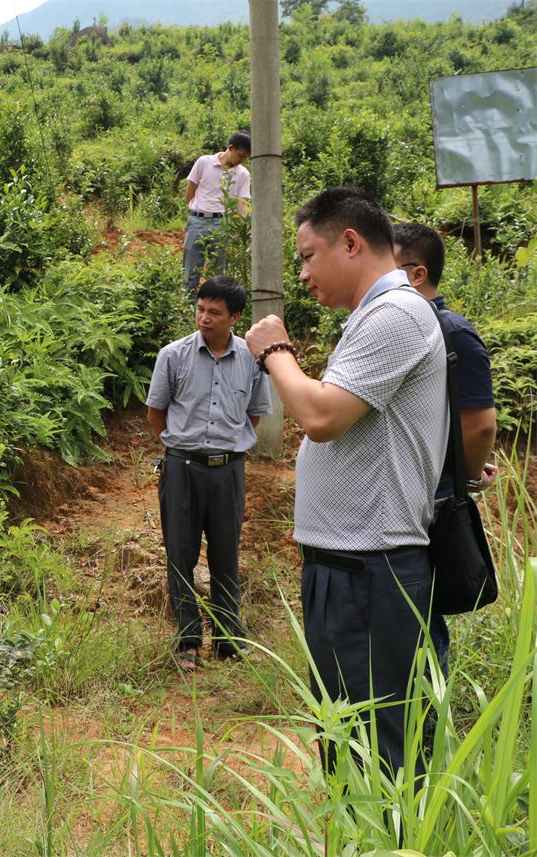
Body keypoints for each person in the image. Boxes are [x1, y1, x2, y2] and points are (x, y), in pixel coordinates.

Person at [245, 186, 448, 777]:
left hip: (372, 572)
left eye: (308, 256)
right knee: (345, 739)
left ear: (351, 243)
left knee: (379, 751)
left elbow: (322, 416)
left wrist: (275, 349)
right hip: (353, 570)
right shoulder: (376, 317)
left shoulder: (396, 314)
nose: (302, 272)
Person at [146, 275, 271, 671]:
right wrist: (178, 448)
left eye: (214, 312)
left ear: (234, 316)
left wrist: (227, 447)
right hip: (182, 468)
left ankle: (227, 638)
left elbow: (254, 414)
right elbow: (156, 412)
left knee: (225, 554)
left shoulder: (251, 360)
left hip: (228, 471)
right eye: (200, 309)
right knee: (180, 554)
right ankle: (187, 642)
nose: (204, 318)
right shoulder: (173, 355)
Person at [393, 221, 497, 671]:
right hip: (403, 493)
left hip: (433, 498)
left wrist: (465, 478)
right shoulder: (399, 325)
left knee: (422, 618)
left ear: (417, 274)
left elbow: (479, 427)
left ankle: (430, 732)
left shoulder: (451, 331)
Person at [183, 132, 252, 296]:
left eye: (245, 158)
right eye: (240, 156)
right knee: (190, 272)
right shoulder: (204, 162)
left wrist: (243, 227)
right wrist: (194, 212)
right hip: (197, 221)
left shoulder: (243, 174)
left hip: (221, 224)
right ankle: (188, 312)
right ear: (230, 148)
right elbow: (190, 191)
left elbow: (242, 203)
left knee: (218, 275)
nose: (242, 161)